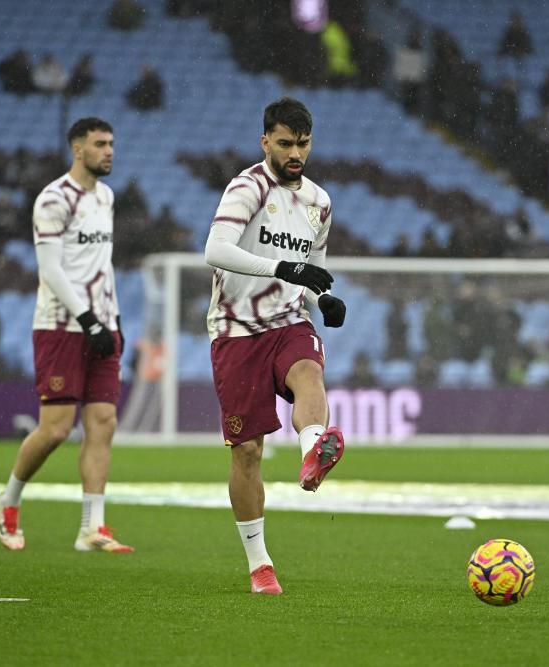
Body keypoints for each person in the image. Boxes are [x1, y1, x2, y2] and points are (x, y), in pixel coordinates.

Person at [203, 97, 347, 595]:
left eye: (303, 144)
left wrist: (323, 297)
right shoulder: (246, 187)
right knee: (246, 451)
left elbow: (313, 268)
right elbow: (214, 250)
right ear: (265, 140)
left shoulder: (320, 202)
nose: (295, 153)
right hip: (236, 329)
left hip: (288, 320)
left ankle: (314, 451)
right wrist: (285, 270)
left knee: (309, 371)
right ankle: (259, 562)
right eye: (285, 143)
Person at [0, 118, 132, 554]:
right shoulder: (53, 199)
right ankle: (8, 499)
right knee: (55, 429)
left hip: (103, 323)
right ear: (77, 149)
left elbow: (98, 264)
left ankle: (93, 527)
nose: (109, 151)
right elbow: (51, 269)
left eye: (111, 143)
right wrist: (88, 319)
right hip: (61, 325)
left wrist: (110, 318)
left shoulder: (106, 197)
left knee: (103, 423)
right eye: (99, 144)